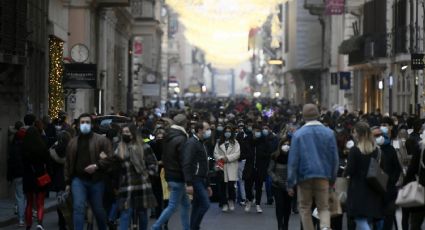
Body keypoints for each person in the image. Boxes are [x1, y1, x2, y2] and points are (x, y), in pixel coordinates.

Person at [287, 104, 339, 230]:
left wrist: (290, 182)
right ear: (318, 115)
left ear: (303, 116)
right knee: (323, 206)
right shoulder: (329, 133)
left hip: (304, 176)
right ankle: (325, 227)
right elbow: (334, 159)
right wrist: (332, 179)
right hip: (323, 175)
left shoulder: (298, 134)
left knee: (305, 207)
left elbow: (293, 160)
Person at [64, 113, 113, 230]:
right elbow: (68, 163)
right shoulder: (73, 142)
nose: (85, 125)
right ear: (78, 125)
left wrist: (97, 166)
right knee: (78, 207)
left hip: (97, 180)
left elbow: (110, 158)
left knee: (98, 210)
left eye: (87, 122)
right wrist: (67, 182)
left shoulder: (101, 140)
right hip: (78, 180)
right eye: (82, 122)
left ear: (91, 125)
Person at [115, 125, 158, 230]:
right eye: (124, 132)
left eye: (128, 132)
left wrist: (148, 174)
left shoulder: (144, 146)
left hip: (142, 182)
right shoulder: (118, 148)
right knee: (126, 211)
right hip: (127, 183)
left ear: (133, 133)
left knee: (142, 212)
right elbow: (115, 167)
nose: (125, 134)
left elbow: (153, 163)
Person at [151, 114, 190, 230]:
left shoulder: (169, 136)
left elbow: (166, 157)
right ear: (185, 124)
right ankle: (156, 226)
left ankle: (186, 228)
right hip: (178, 176)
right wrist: (189, 180)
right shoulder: (181, 138)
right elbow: (184, 160)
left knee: (185, 204)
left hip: (171, 174)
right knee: (172, 205)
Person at [346, 122, 385, 230]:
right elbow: (382, 168)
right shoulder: (377, 150)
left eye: (354, 133)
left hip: (358, 189)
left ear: (359, 134)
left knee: (360, 219)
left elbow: (350, 170)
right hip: (374, 188)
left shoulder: (354, 150)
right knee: (368, 219)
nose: (353, 135)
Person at [183, 121, 213, 230]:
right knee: (205, 204)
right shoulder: (192, 143)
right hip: (196, 179)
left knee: (196, 205)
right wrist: (189, 183)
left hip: (202, 179)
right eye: (207, 129)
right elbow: (187, 163)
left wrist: (208, 184)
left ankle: (193, 227)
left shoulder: (202, 143)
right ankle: (195, 227)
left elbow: (205, 164)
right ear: (200, 130)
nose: (209, 131)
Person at [22, 118, 51, 230]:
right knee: (40, 202)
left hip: (28, 177)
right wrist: (49, 173)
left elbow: (22, 163)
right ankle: (39, 223)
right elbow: (48, 163)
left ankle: (28, 224)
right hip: (40, 176)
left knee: (29, 202)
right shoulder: (42, 146)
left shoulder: (24, 148)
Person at [372, 124, 402, 230]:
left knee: (388, 215)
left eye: (380, 135)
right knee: (377, 217)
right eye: (375, 136)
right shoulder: (371, 150)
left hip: (389, 188)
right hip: (375, 189)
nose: (378, 138)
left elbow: (397, 168)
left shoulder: (390, 149)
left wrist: (391, 180)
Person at [243, 124, 272, 213]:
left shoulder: (264, 141)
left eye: (259, 131)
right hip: (249, 167)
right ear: (253, 132)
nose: (257, 133)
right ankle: (249, 200)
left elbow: (268, 154)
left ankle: (258, 204)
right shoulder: (248, 141)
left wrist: (262, 155)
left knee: (259, 187)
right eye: (256, 131)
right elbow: (243, 152)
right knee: (248, 186)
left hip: (260, 168)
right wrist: (248, 155)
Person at [213, 124, 240, 212]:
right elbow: (215, 153)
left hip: (231, 166)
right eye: (226, 131)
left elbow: (237, 154)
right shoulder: (219, 142)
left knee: (231, 186)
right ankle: (224, 203)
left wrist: (227, 158)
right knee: (222, 186)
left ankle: (231, 200)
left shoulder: (235, 142)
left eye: (229, 131)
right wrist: (221, 158)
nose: (227, 133)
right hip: (222, 166)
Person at [268, 137, 292, 230]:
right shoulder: (275, 156)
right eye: (284, 144)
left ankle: (286, 225)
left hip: (289, 185)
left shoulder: (293, 157)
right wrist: (275, 178)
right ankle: (280, 225)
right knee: (279, 205)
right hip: (277, 185)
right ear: (280, 145)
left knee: (287, 207)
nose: (286, 146)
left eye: (288, 144)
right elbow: (270, 170)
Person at [7, 120, 25, 227]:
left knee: (19, 196)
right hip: (26, 173)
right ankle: (23, 215)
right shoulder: (27, 146)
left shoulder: (13, 147)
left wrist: (9, 177)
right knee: (24, 196)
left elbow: (10, 162)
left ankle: (21, 218)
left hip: (17, 174)